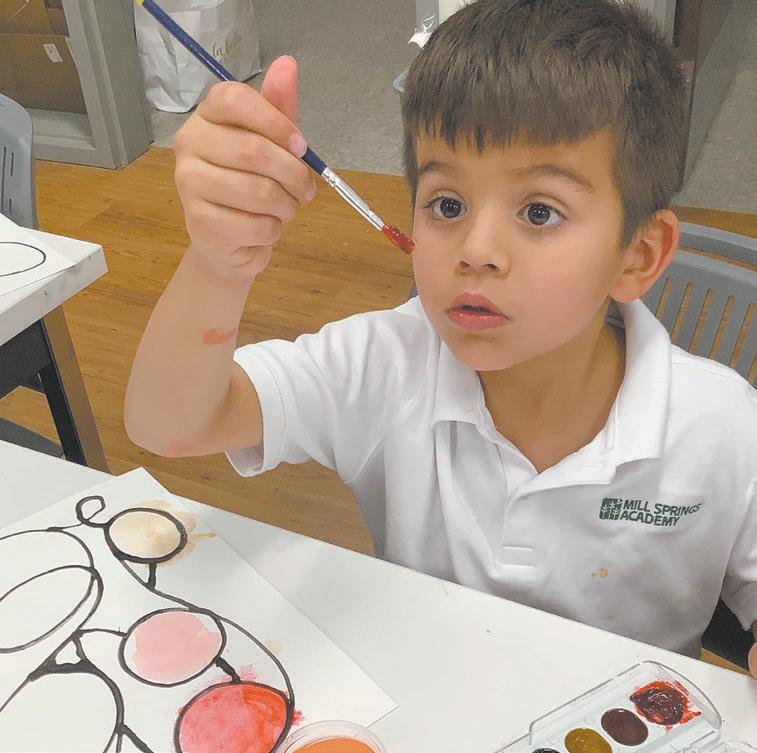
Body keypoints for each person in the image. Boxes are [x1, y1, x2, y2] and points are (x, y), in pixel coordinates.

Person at [125, 0, 757, 675]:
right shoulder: (383, 364)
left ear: (638, 255)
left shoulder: (723, 426)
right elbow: (172, 425)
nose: (475, 249)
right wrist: (218, 262)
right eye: (447, 205)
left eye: (539, 212)